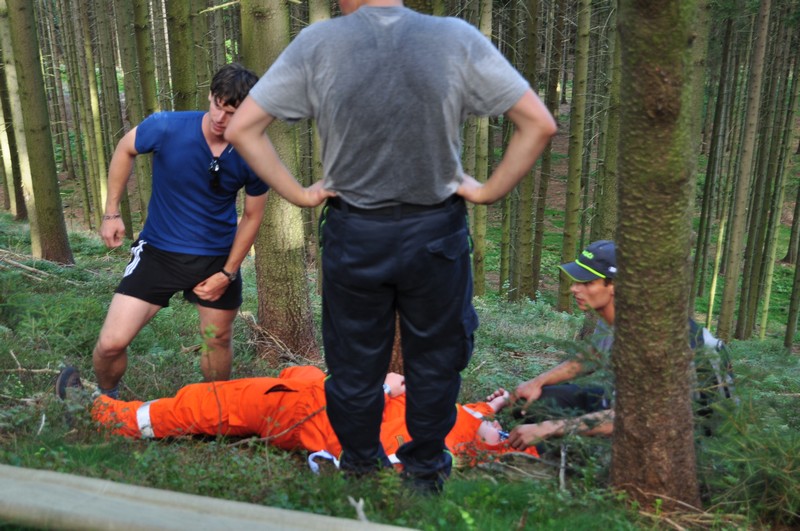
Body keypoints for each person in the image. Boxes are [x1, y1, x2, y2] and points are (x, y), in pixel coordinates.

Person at [223, 0, 557, 492]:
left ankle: (362, 471)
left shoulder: (319, 42)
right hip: (436, 234)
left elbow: (241, 128)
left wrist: (300, 194)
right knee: (436, 362)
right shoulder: (455, 37)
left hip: (355, 234)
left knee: (354, 366)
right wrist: (488, 191)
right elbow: (539, 123)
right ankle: (425, 476)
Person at [92, 64, 269, 399]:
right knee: (111, 343)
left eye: (232, 113)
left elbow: (252, 216)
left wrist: (228, 273)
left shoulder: (254, 151)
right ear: (210, 96)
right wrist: (111, 212)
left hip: (216, 259)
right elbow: (125, 148)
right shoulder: (167, 126)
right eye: (217, 105)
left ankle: (214, 411)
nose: (220, 118)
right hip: (158, 253)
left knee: (217, 339)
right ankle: (106, 401)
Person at [54, 365, 540, 470]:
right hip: (317, 387)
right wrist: (493, 407)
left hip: (305, 412)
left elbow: (363, 458)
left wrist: (380, 389)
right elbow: (476, 414)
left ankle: (108, 415)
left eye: (503, 432)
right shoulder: (467, 417)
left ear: (493, 449)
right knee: (215, 396)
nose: (500, 424)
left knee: (202, 405)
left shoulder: (439, 451)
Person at [503, 240, 735, 450]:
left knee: (557, 446)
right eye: (577, 281)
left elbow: (634, 419)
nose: (574, 288)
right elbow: (593, 354)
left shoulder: (653, 340)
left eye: (587, 283)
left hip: (685, 436)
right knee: (529, 403)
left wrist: (550, 428)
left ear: (615, 286)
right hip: (623, 403)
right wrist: (537, 382)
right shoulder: (615, 313)